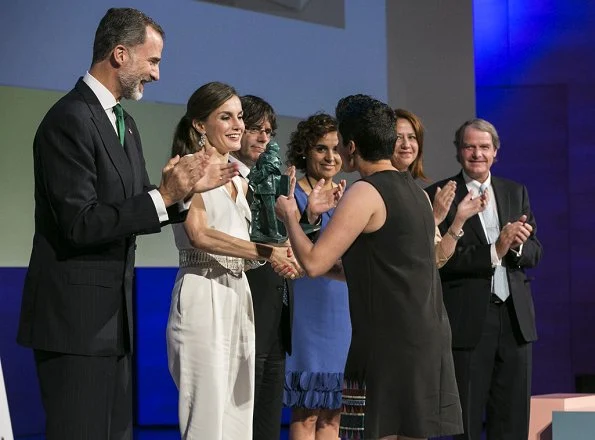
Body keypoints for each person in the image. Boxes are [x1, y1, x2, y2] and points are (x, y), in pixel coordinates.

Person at [16, 8, 237, 439]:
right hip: (74, 327)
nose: (156, 74)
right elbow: (80, 222)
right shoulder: (69, 119)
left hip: (115, 324)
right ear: (120, 54)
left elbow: (139, 204)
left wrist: (187, 191)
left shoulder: (125, 123)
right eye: (152, 61)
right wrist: (166, 195)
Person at [275, 95, 464, 440]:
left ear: (351, 146)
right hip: (424, 334)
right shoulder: (418, 193)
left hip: (388, 341)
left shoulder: (364, 192)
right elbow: (379, 265)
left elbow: (316, 263)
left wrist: (291, 218)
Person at [165, 82, 300, 440]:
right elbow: (200, 235)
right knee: (207, 421)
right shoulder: (184, 169)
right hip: (203, 292)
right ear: (199, 125)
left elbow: (252, 245)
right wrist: (265, 252)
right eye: (226, 117)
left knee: (240, 420)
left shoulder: (241, 180)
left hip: (239, 295)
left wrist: (282, 255)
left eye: (240, 116)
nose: (238, 125)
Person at [426, 119, 542, 440]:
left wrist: (516, 246)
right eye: (469, 147)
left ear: (495, 153)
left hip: (515, 322)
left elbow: (535, 252)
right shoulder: (440, 195)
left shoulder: (515, 191)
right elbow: (439, 262)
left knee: (513, 419)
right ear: (458, 152)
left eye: (484, 147)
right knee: (466, 421)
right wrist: (495, 249)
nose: (477, 153)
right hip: (468, 321)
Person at [229, 95, 293, 440]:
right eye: (255, 128)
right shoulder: (230, 180)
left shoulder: (271, 182)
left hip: (275, 311)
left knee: (268, 419)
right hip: (243, 303)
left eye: (268, 131)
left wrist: (305, 217)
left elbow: (283, 241)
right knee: (240, 417)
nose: (263, 137)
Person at [283, 113, 351, 440]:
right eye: (321, 149)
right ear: (305, 151)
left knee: (333, 415)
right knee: (307, 410)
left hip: (344, 310)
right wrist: (310, 213)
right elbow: (289, 251)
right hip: (306, 311)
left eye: (336, 149)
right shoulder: (291, 190)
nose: (330, 157)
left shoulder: (348, 197)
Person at [391, 108, 487, 267]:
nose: (406, 144)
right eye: (398, 138)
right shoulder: (378, 191)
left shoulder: (419, 194)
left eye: (412, 137)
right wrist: (434, 218)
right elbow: (399, 253)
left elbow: (436, 259)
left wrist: (459, 220)